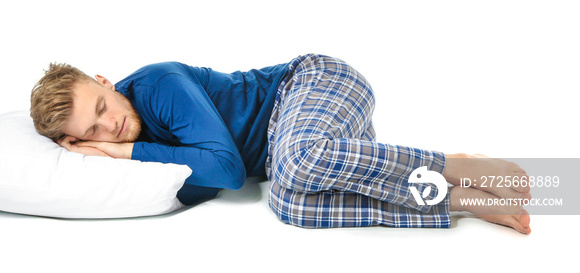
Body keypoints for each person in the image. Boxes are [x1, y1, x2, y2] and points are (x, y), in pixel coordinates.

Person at [30, 54, 532, 234]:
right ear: (74, 142)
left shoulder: (158, 84)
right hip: (310, 155)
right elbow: (203, 184)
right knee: (291, 205)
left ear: (105, 81)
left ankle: (457, 165)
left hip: (315, 84)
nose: (109, 129)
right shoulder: (121, 144)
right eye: (91, 133)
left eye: (102, 107)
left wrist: (123, 154)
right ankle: (456, 202)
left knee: (295, 165)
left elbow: (224, 173)